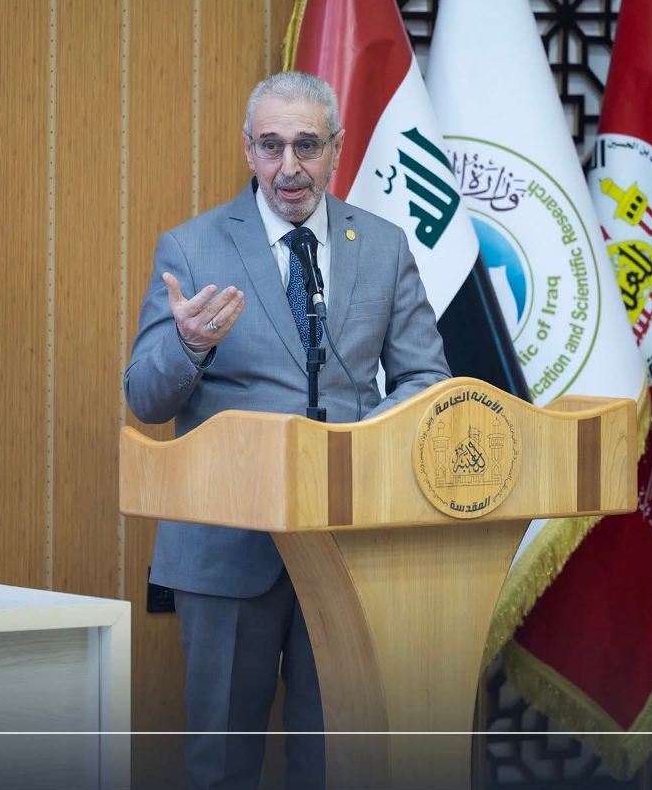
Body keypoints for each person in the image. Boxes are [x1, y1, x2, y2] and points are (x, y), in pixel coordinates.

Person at [124, 71, 451, 790]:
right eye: (271, 146)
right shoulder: (192, 248)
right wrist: (188, 345)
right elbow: (144, 397)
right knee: (222, 767)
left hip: (346, 544)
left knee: (336, 763)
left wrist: (361, 445)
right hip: (226, 546)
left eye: (307, 145)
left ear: (336, 148)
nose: (289, 166)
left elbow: (426, 380)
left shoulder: (383, 246)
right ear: (248, 150)